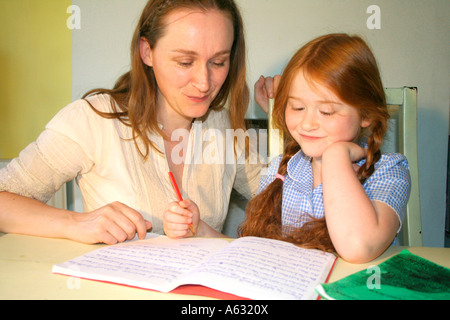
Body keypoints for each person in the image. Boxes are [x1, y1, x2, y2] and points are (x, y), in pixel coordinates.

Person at [0, 0, 263, 244]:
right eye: (185, 62)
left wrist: (287, 113)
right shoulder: (91, 120)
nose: (204, 83)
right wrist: (76, 223)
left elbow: (285, 201)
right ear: (147, 51)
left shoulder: (224, 127)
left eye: (218, 62)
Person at [240, 33, 411, 263]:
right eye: (298, 107)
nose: (307, 123)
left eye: (327, 111)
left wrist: (336, 158)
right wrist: (201, 228)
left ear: (366, 113)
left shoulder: (388, 171)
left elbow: (358, 246)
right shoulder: (280, 170)